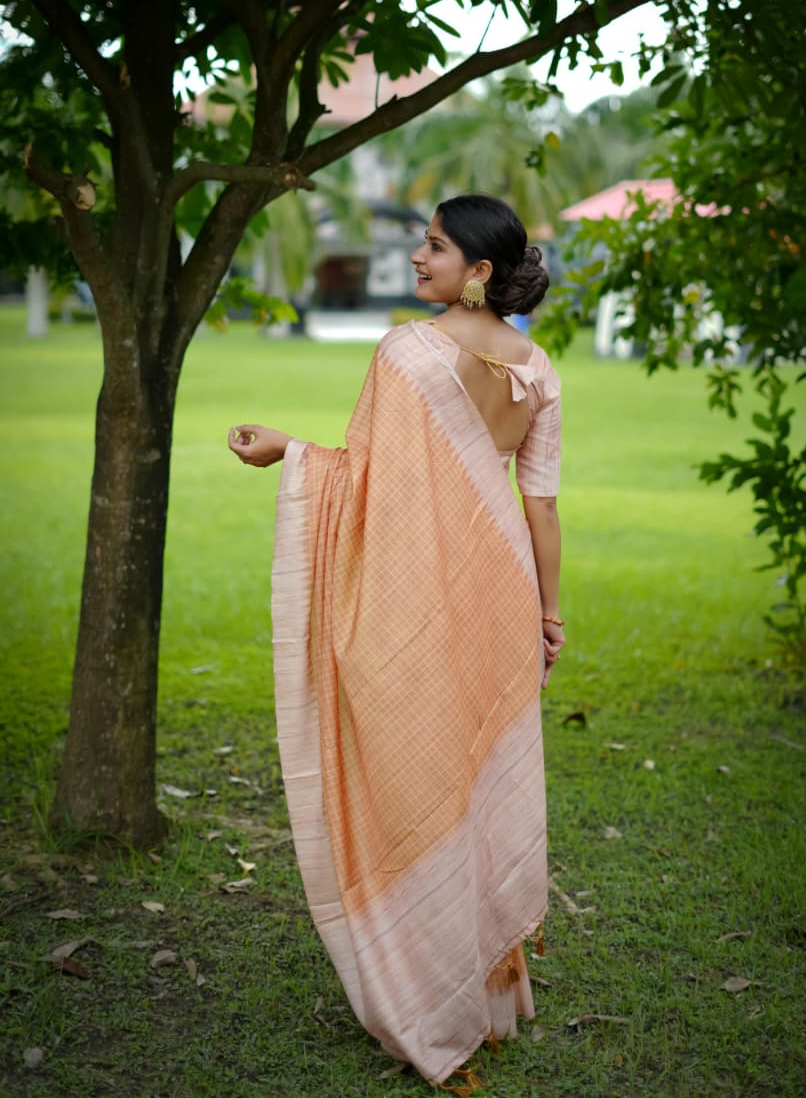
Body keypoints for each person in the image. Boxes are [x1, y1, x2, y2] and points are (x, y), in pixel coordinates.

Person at [228, 194, 564, 1087]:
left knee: (416, 771)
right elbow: (539, 501)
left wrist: (289, 453)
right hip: (499, 580)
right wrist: (549, 611)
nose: (418, 258)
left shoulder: (408, 353)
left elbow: (364, 477)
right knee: (465, 772)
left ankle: (430, 995)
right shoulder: (537, 365)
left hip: (427, 577)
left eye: (434, 246)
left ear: (479, 271)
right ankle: (483, 996)